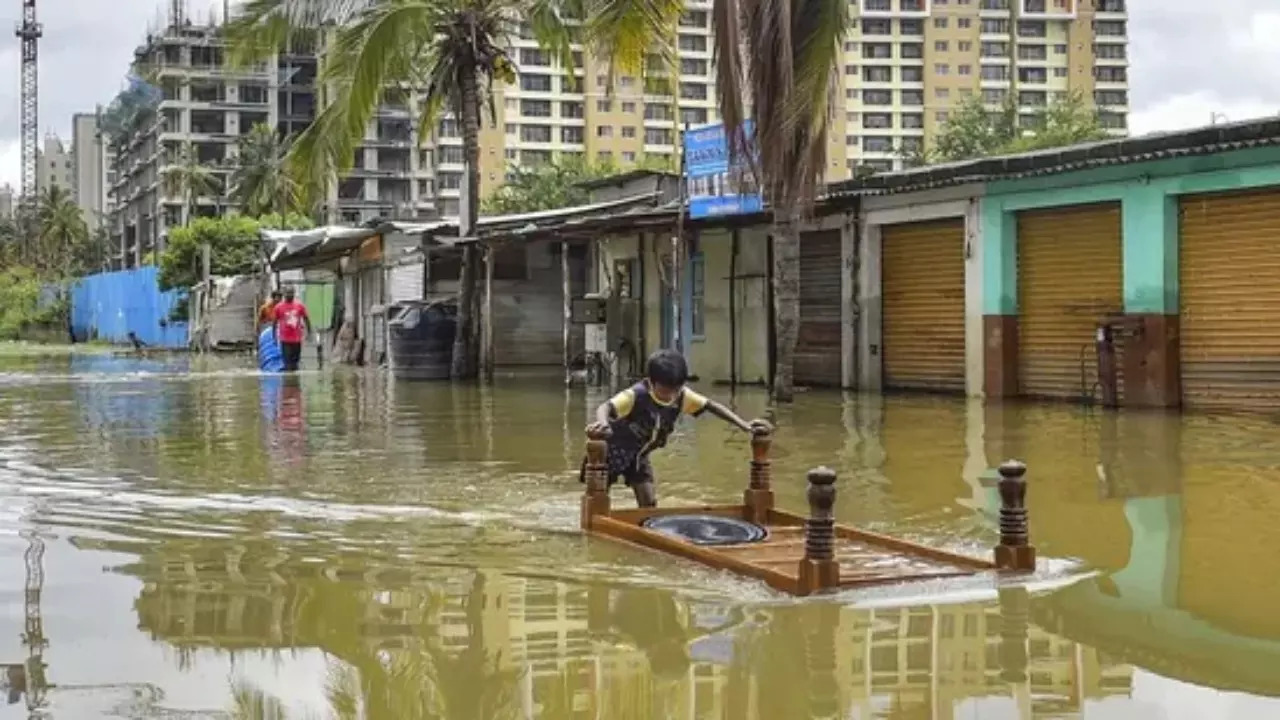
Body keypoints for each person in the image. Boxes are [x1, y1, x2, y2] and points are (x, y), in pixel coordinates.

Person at [581, 348, 771, 507]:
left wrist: (744, 425)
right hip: (613, 452)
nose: (670, 397)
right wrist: (604, 425)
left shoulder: (682, 396)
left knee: (649, 502)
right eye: (665, 391)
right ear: (651, 382)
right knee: (599, 499)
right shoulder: (635, 395)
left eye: (675, 390)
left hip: (640, 454)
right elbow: (605, 407)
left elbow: (711, 406)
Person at [272, 286, 312, 372]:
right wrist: (274, 337)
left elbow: (306, 319)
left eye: (291, 293)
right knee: (287, 363)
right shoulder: (278, 307)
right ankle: (287, 383)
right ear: (284, 294)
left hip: (297, 339)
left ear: (294, 294)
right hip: (285, 339)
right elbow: (274, 323)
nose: (289, 295)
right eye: (287, 293)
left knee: (295, 363)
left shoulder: (299, 306)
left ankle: (295, 383)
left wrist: (309, 333)